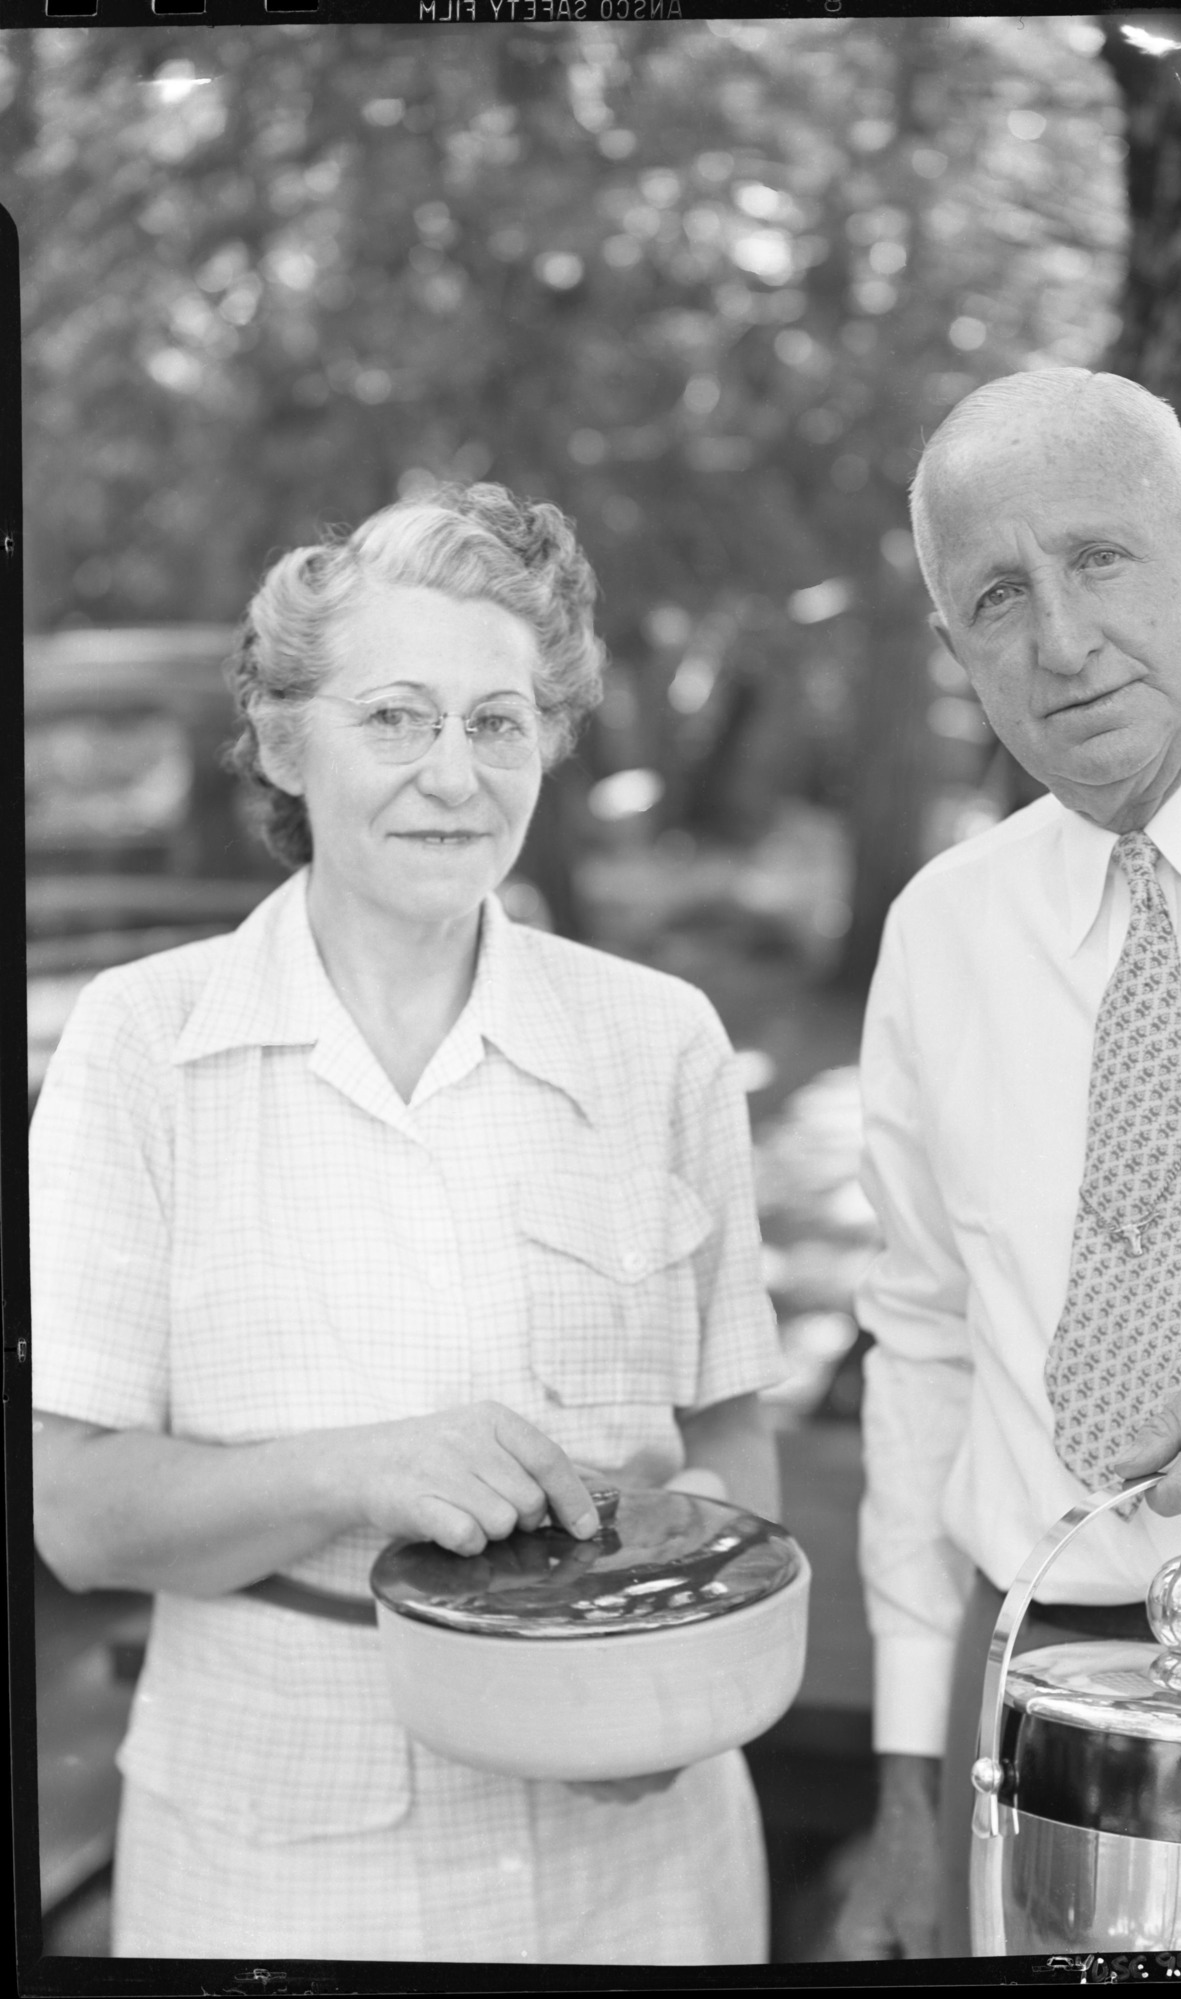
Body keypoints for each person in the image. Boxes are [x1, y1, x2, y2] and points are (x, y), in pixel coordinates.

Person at [30, 483, 785, 1964]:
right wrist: (367, 1470)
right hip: (284, 1876)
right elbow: (77, 1516)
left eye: (497, 722)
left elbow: (734, 1439)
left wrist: (677, 1680)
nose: (454, 774)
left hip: (643, 1873)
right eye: (396, 716)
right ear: (281, 737)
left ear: (549, 746)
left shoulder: (663, 1045)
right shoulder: (142, 1049)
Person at [831, 369, 1181, 1958]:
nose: (1058, 641)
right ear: (953, 653)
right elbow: (920, 1345)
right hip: (1031, 1691)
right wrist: (912, 1790)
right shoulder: (940, 934)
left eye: (1100, 560)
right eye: (996, 597)